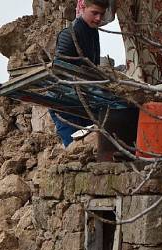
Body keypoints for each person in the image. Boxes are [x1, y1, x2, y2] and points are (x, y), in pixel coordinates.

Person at [49, 0, 110, 147]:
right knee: (74, 148)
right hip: (63, 102)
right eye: (94, 13)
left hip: (83, 100)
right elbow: (60, 72)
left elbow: (92, 67)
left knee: (91, 147)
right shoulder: (69, 34)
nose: (98, 18)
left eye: (101, 14)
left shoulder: (92, 31)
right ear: (82, 8)